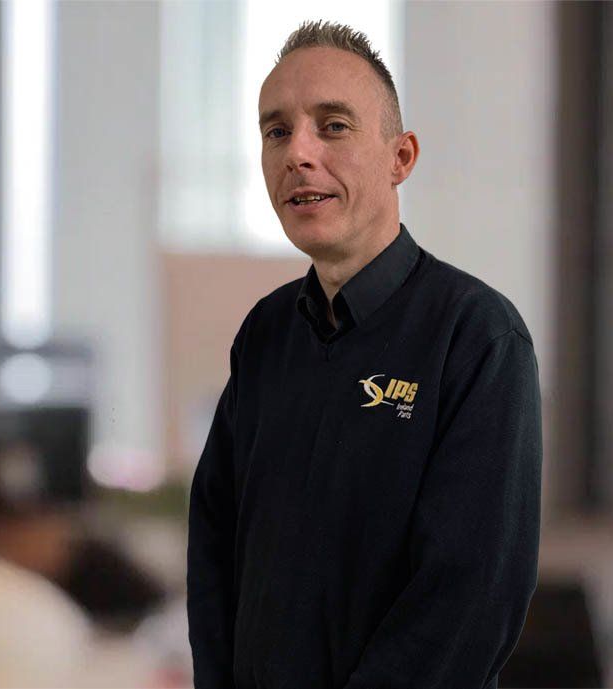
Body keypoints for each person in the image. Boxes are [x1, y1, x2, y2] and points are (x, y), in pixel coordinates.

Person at [187, 19, 542, 689]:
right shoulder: (264, 335)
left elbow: (470, 599)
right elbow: (213, 551)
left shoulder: (476, 337)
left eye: (333, 126)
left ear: (400, 157)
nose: (299, 153)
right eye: (276, 131)